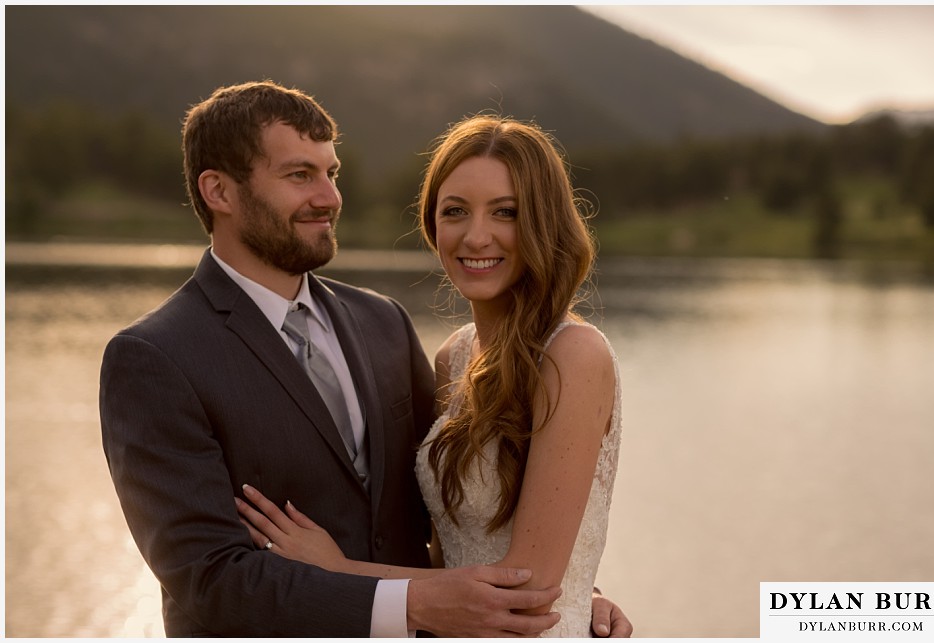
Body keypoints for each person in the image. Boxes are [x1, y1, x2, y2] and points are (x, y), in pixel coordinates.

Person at [100, 80, 630, 637]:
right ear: (219, 192)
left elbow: (449, 514)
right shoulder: (154, 357)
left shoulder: (384, 324)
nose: (329, 197)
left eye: (332, 173)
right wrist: (410, 602)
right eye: (300, 175)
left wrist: (572, 583)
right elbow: (210, 583)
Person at [236, 114, 625, 637]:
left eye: (505, 212)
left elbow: (528, 593)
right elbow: (447, 556)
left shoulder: (574, 355)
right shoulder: (453, 357)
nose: (476, 235)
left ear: (544, 223)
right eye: (455, 211)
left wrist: (340, 571)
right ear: (432, 223)